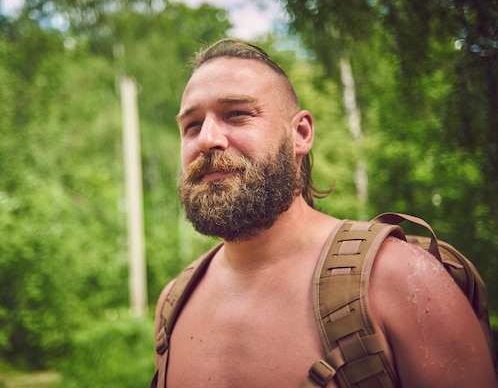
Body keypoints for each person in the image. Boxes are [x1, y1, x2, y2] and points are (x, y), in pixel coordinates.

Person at [152, 38, 497, 388]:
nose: (207, 139)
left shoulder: (400, 279)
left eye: (237, 114)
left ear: (300, 134)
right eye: (191, 125)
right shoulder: (172, 307)